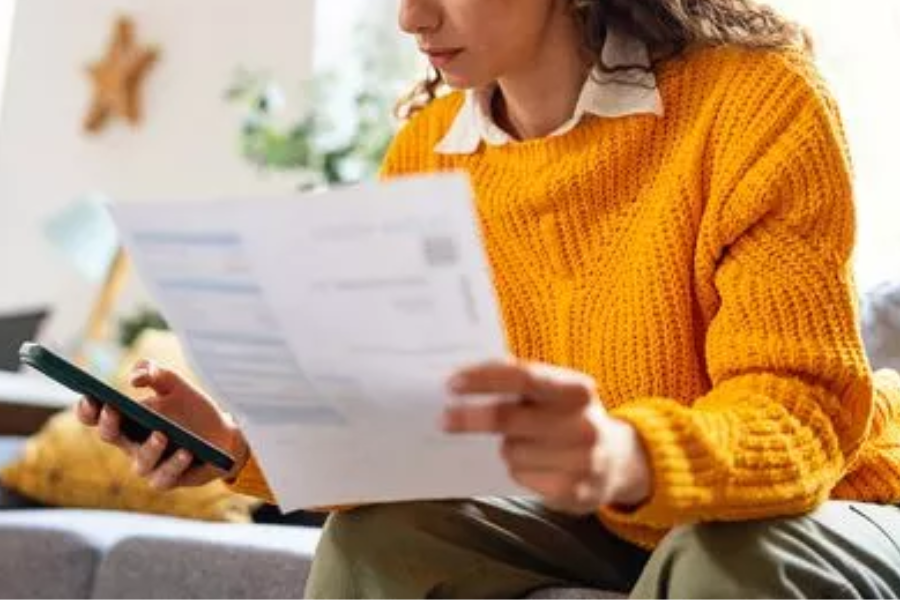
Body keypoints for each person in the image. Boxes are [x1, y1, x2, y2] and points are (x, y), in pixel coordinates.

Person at [78, 0, 900, 597]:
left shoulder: (759, 102)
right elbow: (403, 434)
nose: (411, 18)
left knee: (723, 561)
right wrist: (232, 444)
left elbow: (801, 412)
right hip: (601, 512)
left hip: (829, 493)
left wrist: (622, 454)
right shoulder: (430, 152)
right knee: (379, 540)